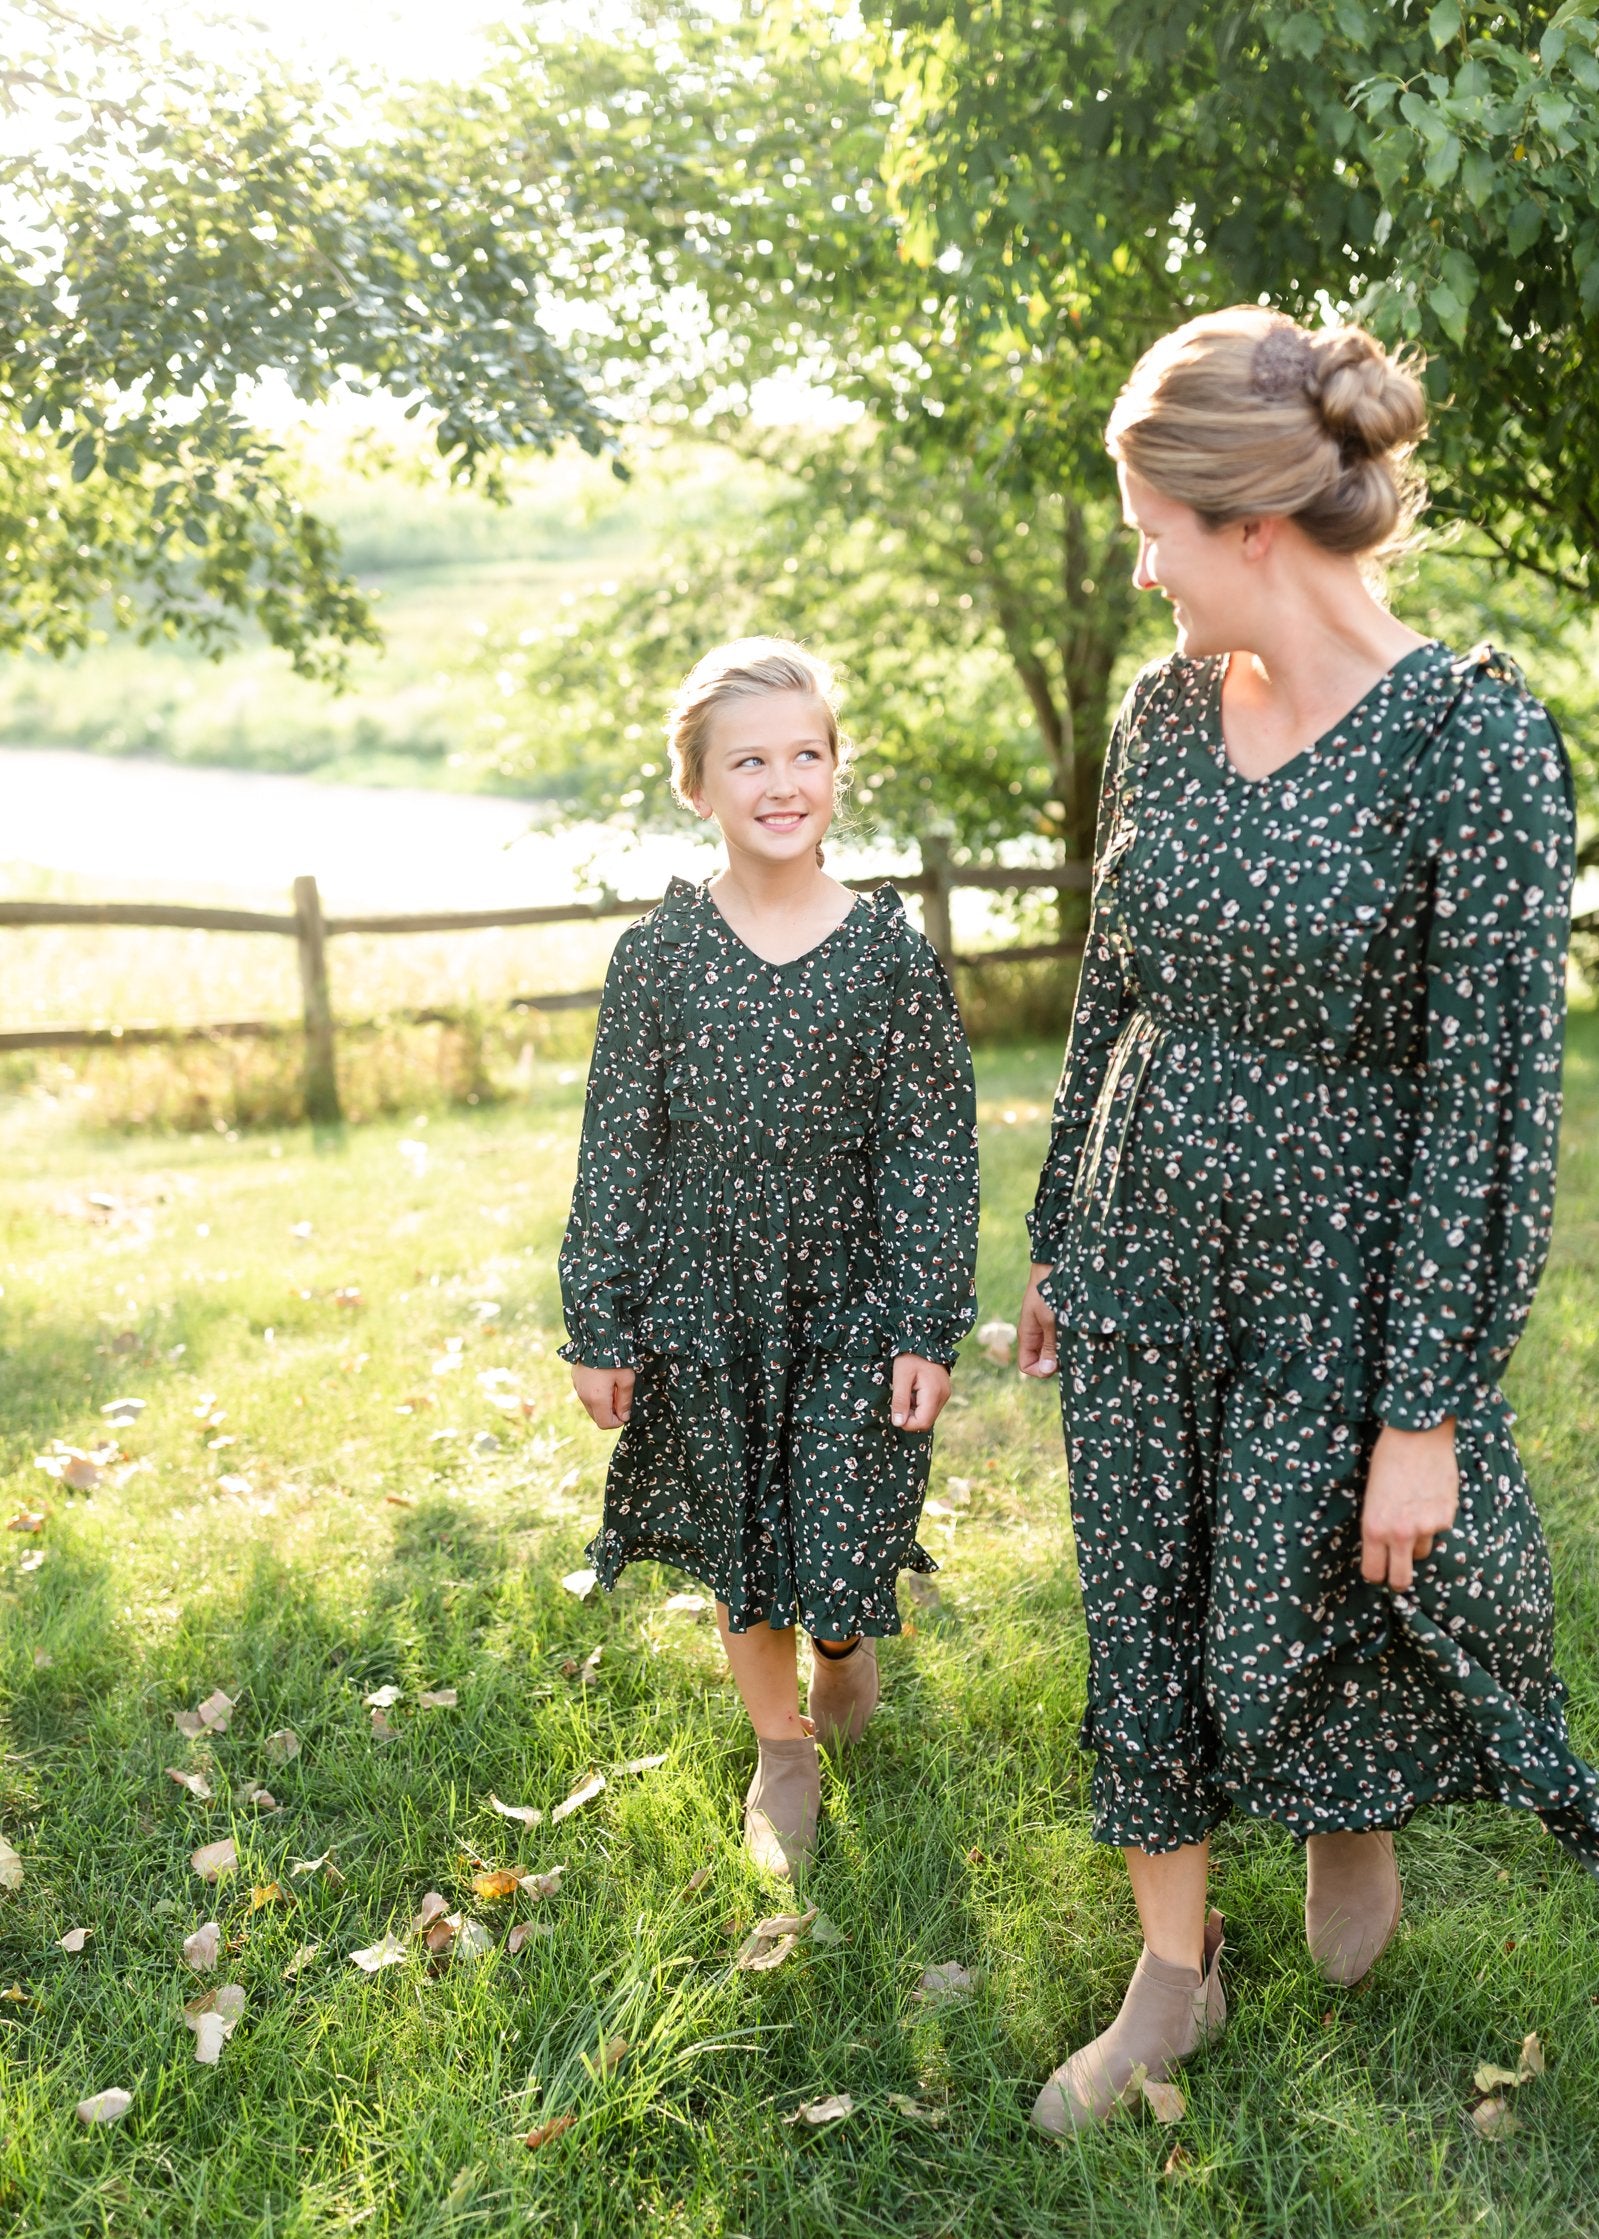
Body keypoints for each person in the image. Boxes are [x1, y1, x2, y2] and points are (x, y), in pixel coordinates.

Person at [1018, 306, 1599, 2135]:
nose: (1135, 565)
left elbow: (1488, 1103)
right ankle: (1166, 1975)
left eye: (1148, 529)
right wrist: (1054, 1225)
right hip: (1139, 1239)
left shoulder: (1471, 746)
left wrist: (1420, 1405)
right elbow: (1109, 978)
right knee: (1147, 1596)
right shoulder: (1161, 712)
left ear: (1244, 524)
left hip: (1338, 1270)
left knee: (1331, 1581)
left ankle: (1348, 1816)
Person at [560, 636, 979, 1879]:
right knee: (744, 1531)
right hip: (705, 1298)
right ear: (697, 786)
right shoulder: (661, 958)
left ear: (839, 773)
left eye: (808, 753)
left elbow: (930, 1151)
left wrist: (925, 1319)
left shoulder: (889, 957)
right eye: (749, 759)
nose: (782, 780)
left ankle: (846, 1643)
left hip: (850, 1297)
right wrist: (602, 1321)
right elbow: (617, 1148)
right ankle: (779, 1745)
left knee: (842, 1531)